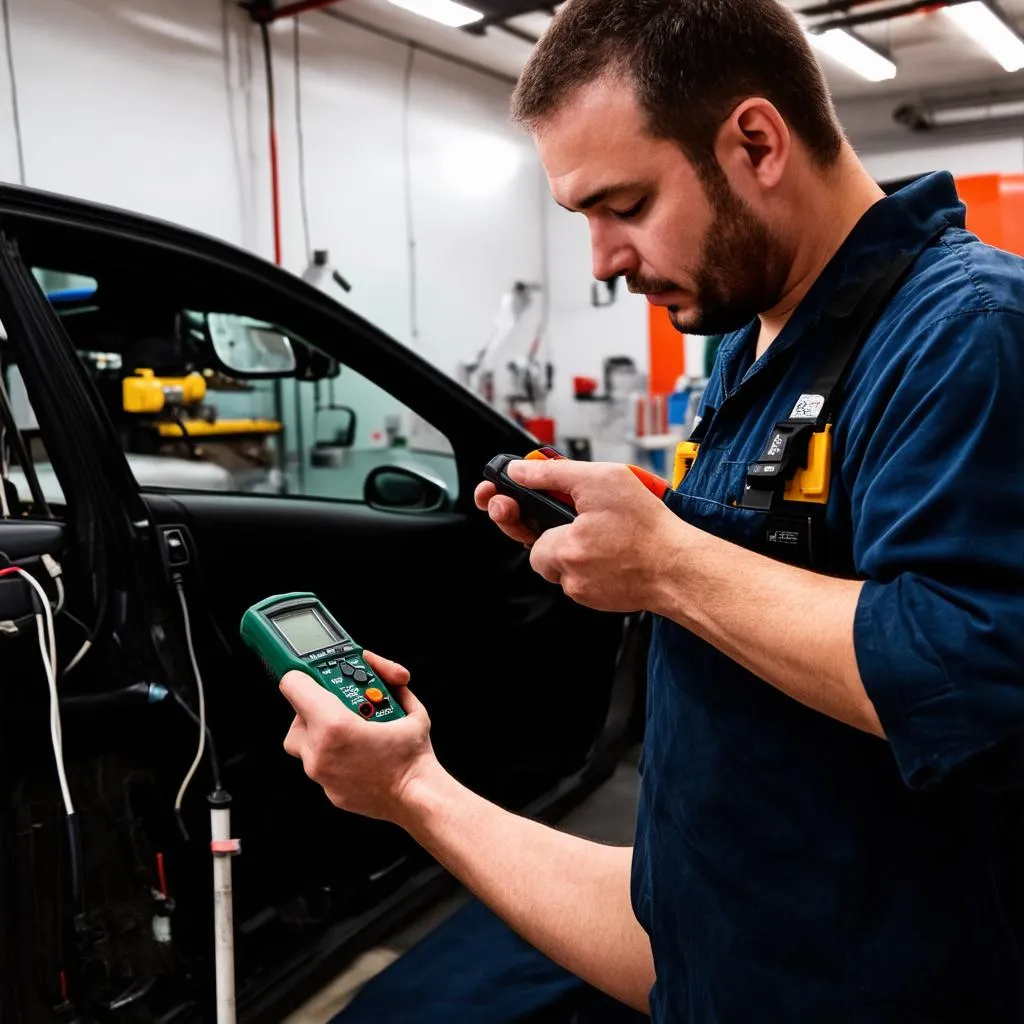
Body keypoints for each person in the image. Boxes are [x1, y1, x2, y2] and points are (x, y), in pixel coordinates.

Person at [278, 0, 1024, 1019]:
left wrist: (671, 562)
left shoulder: (962, 333)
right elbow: (803, 565)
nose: (600, 260)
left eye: (622, 205)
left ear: (756, 142)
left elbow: (971, 669)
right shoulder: (754, 343)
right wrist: (646, 542)